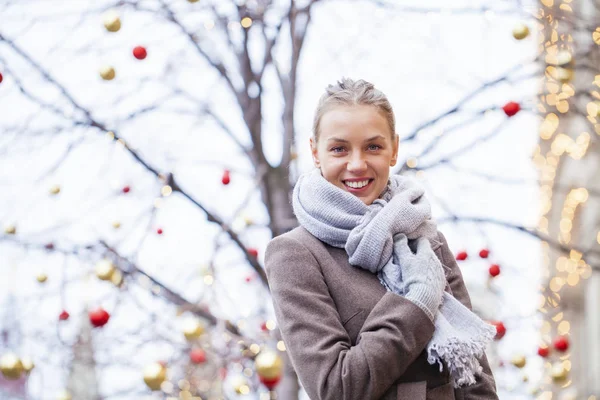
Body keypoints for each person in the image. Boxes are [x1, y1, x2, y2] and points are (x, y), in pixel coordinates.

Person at [264, 78, 499, 400]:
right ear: (315, 152)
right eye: (339, 149)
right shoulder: (295, 253)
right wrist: (415, 301)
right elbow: (336, 387)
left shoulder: (426, 238)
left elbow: (474, 379)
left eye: (373, 146)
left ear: (394, 150)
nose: (357, 164)